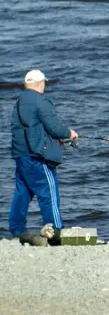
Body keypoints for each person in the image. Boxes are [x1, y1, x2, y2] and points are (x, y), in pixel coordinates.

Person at [10, 69, 78, 246]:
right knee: (49, 194)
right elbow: (54, 127)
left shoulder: (18, 102)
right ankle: (55, 231)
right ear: (40, 83)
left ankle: (17, 230)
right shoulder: (42, 101)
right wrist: (69, 133)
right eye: (44, 84)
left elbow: (31, 128)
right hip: (37, 157)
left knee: (22, 192)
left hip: (20, 155)